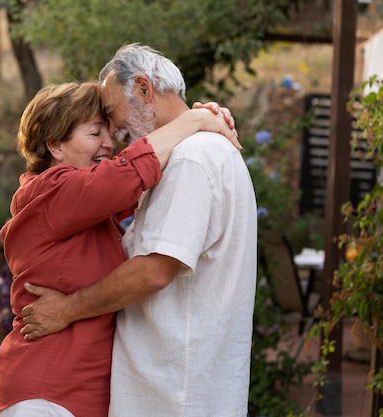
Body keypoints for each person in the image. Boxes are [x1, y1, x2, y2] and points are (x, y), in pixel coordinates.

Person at [20, 44, 257, 417]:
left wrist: (68, 308)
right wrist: (195, 119)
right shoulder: (188, 155)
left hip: (174, 390)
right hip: (170, 386)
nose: (113, 135)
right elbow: (119, 180)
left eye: (111, 116)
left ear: (145, 90)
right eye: (98, 129)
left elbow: (154, 270)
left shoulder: (191, 160)